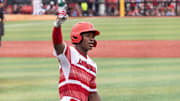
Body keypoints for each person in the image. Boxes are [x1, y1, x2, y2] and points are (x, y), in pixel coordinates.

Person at [52, 5, 101, 101]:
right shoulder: (70, 54)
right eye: (88, 36)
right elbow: (58, 45)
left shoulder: (93, 65)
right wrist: (57, 26)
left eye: (93, 37)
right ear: (77, 37)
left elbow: (92, 93)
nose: (92, 39)